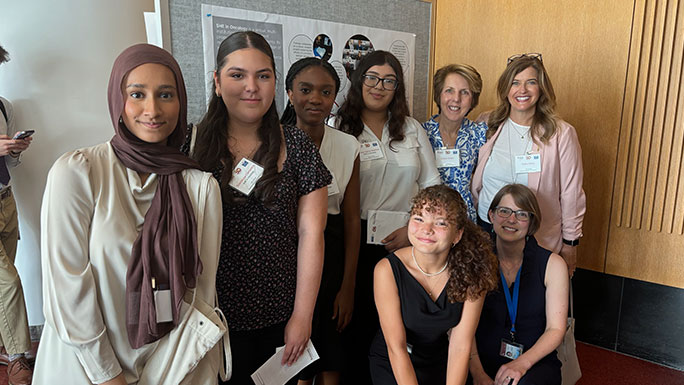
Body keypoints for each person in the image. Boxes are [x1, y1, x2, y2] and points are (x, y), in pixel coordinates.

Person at [33, 44, 223, 384]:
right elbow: (66, 288)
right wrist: (109, 376)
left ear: (180, 103)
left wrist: (165, 374)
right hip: (83, 366)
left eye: (166, 95)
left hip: (169, 368)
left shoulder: (199, 188)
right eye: (137, 94)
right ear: (117, 100)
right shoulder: (80, 173)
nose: (152, 109)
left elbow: (199, 296)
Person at [191, 31, 330, 384]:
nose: (251, 86)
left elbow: (312, 234)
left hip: (278, 315)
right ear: (217, 82)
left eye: (263, 75)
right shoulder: (190, 145)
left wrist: (302, 316)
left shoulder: (298, 145)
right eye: (238, 75)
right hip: (207, 314)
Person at [336, 50, 440, 383]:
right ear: (358, 81)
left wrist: (412, 231)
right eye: (372, 78)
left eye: (389, 80)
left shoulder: (411, 129)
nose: (379, 86)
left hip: (407, 242)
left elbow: (432, 188)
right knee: (355, 326)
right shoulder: (339, 127)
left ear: (398, 88)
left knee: (397, 328)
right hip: (355, 240)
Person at [281, 57, 361, 385]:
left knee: (332, 354)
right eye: (305, 89)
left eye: (325, 92)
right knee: (293, 358)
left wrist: (348, 286)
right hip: (284, 253)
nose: (315, 98)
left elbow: (352, 220)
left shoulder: (347, 145)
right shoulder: (274, 141)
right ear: (289, 93)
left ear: (334, 99)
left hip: (332, 253)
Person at [369, 185, 498, 385]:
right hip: (394, 362)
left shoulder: (473, 271)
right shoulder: (386, 270)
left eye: (440, 223)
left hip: (440, 362)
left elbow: (461, 346)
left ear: (457, 235)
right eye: (418, 218)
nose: (426, 230)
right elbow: (396, 347)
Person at [471, 54, 585, 275]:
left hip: (536, 236)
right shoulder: (487, 124)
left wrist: (571, 243)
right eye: (515, 82)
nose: (522, 90)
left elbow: (572, 193)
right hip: (487, 230)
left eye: (530, 82)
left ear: (541, 88)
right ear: (505, 88)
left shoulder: (561, 133)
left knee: (528, 302)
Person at [469, 184, 569, 385]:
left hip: (533, 361)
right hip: (478, 359)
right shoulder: (475, 261)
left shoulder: (553, 265)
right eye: (504, 211)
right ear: (491, 215)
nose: (511, 220)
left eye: (522, 214)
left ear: (531, 222)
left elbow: (555, 329)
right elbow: (464, 327)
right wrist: (478, 374)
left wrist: (521, 364)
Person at [0, 44, 34, 385]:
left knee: (2, 279)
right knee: (8, 282)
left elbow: (9, 163)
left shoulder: (3, 105)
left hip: (6, 199)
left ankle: (3, 343)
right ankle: (18, 358)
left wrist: (15, 150)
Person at [423, 64, 486, 223]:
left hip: (465, 221)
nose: (456, 99)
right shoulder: (421, 133)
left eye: (464, 92)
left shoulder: (479, 134)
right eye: (449, 90)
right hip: (428, 220)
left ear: (473, 99)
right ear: (438, 95)